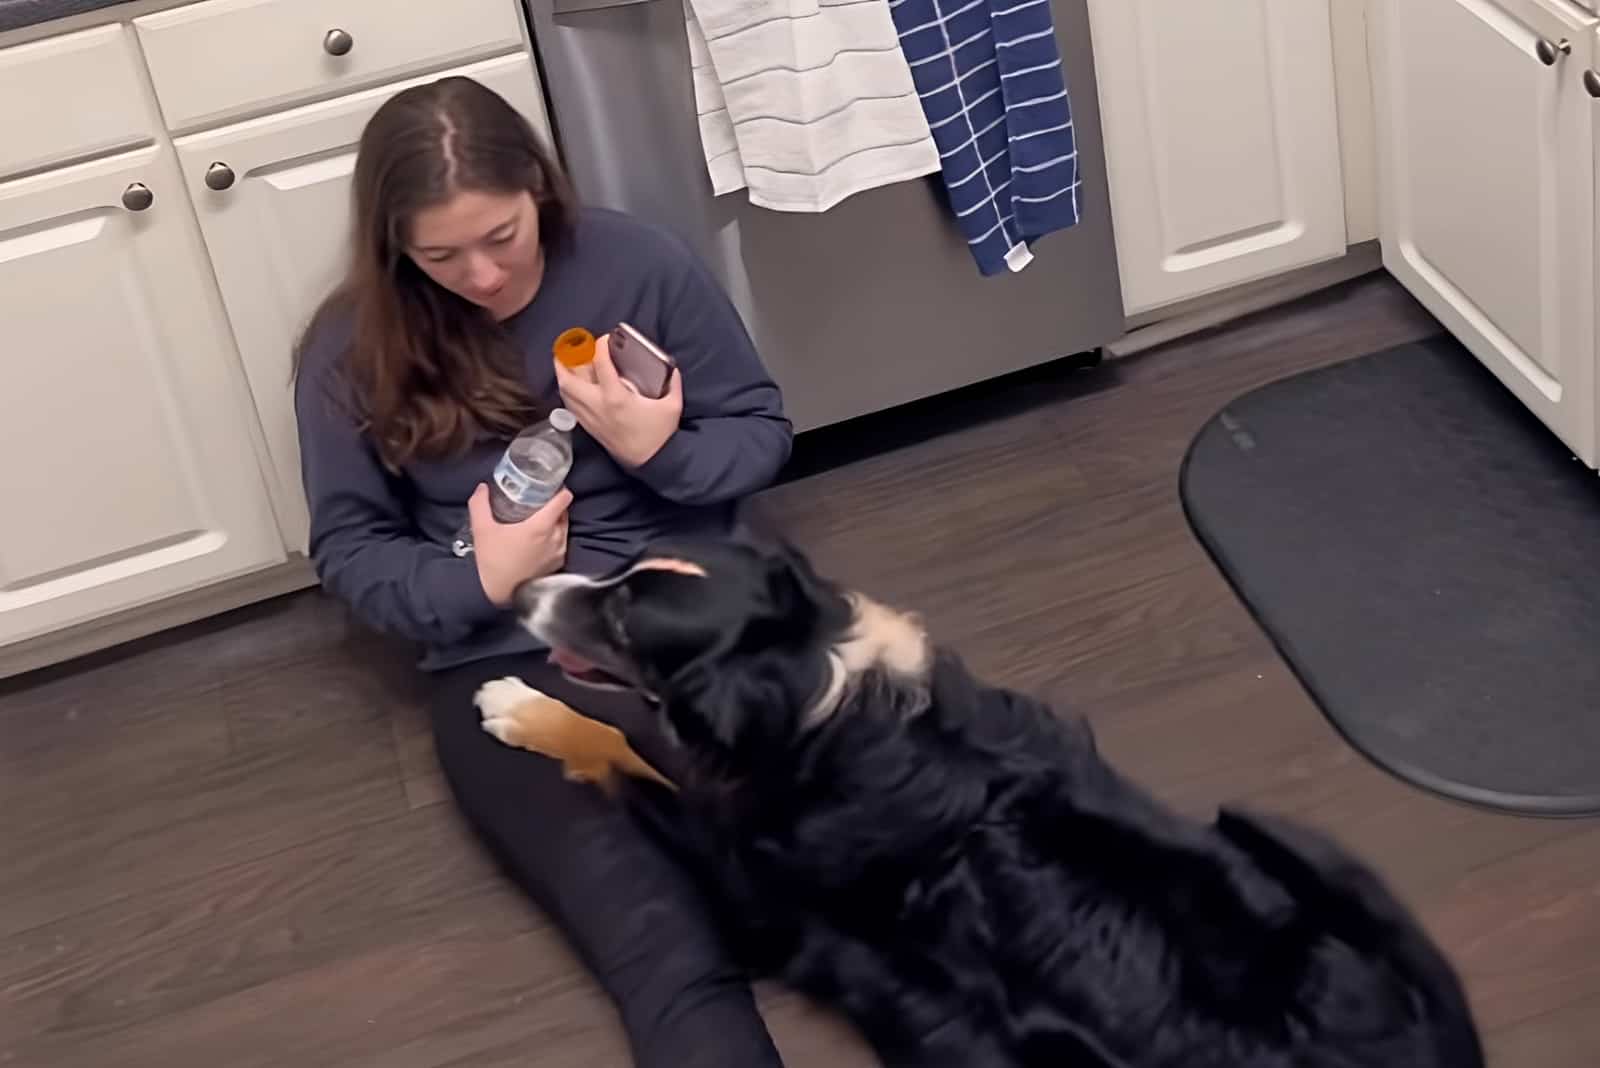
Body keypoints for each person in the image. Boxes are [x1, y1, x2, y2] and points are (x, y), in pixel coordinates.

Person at [293, 76, 792, 1068]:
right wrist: (480, 580)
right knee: (659, 945)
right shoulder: (345, 349)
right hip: (506, 655)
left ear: (539, 189)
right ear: (396, 245)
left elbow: (759, 432)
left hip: (687, 599)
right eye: (441, 255)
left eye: (503, 238)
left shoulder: (636, 263)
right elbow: (347, 549)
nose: (480, 275)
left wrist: (664, 453)